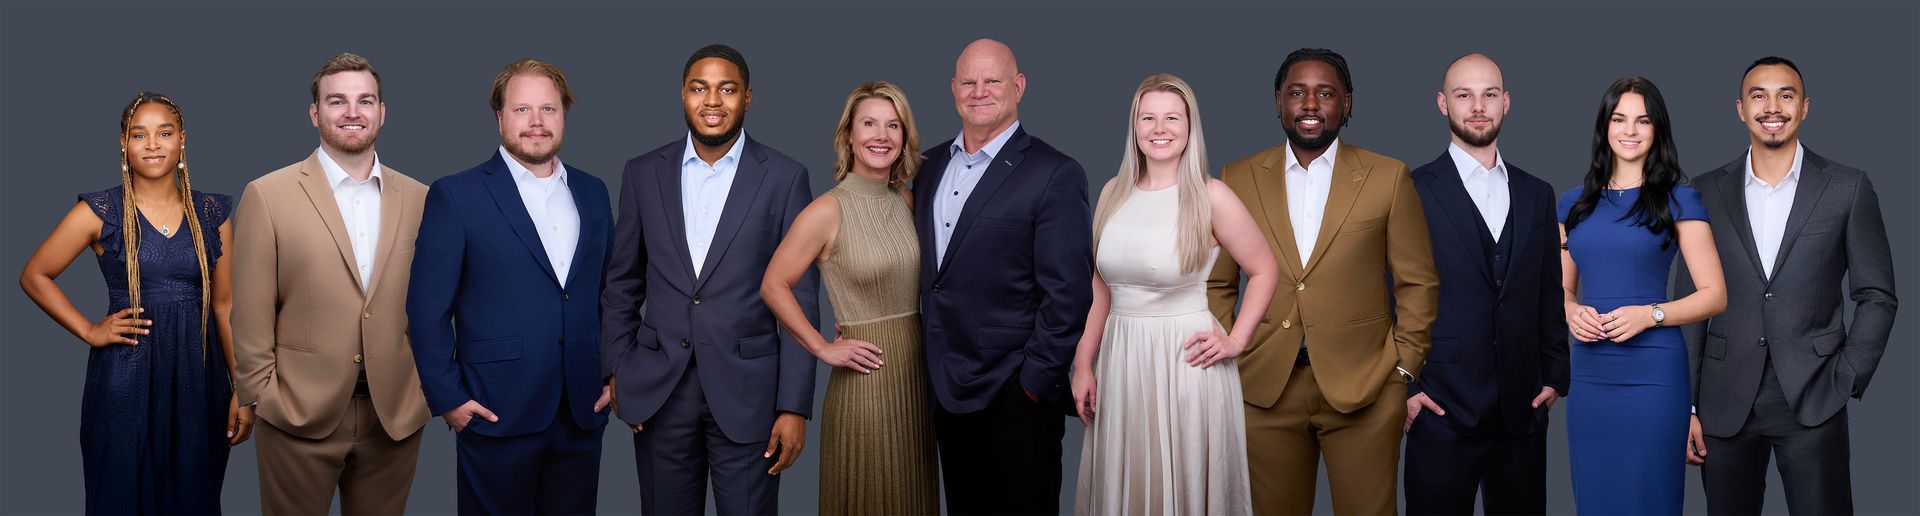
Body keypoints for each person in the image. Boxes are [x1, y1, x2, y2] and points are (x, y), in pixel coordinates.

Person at [1205, 47, 1439, 515]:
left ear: (1346, 104)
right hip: (1264, 388)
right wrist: (1234, 349)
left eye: (1325, 93)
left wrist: (1402, 372)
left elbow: (1418, 284)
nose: (1310, 105)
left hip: (1367, 389)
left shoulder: (1387, 177)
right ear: (1278, 102)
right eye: (1297, 93)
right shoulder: (1238, 178)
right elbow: (1217, 284)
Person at [601, 44, 819, 516]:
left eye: (727, 89)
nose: (713, 101)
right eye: (700, 88)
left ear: (748, 97)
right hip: (659, 394)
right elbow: (622, 283)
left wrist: (794, 406)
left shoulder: (785, 178)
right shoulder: (642, 173)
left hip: (751, 397)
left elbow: (800, 298)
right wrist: (618, 371)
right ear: (683, 95)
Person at [1680, 56, 1896, 515]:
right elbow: (1690, 302)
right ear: (1740, 108)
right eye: (1758, 95)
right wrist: (1687, 406)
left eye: (1786, 94)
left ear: (1804, 107)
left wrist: (1847, 377)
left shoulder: (1847, 187)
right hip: (1723, 400)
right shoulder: (1704, 191)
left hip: (1815, 395)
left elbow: (1876, 295)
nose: (1771, 106)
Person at [18, 91, 246, 514]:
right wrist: (89, 329)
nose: (153, 144)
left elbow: (225, 306)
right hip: (126, 379)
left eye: (165, 132)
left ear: (182, 141)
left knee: (195, 497)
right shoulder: (101, 211)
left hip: (199, 379)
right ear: (123, 143)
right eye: (139, 134)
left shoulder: (212, 213)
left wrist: (242, 390)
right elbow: (34, 275)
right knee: (121, 496)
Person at [407, 59, 614, 514]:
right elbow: (426, 310)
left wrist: (613, 374)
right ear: (500, 118)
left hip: (581, 410)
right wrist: (449, 399)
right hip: (494, 410)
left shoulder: (594, 191)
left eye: (549, 109)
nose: (537, 122)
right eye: (522, 110)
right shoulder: (456, 195)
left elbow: (608, 294)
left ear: (564, 116)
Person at [231, 52, 430, 515]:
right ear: (315, 113)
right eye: (337, 101)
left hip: (394, 414)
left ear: (382, 112)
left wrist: (422, 390)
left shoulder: (421, 198)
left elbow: (433, 303)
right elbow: (251, 309)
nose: (353, 112)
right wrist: (262, 394)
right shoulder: (268, 195)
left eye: (366, 101)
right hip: (298, 414)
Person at [1071, 73, 1276, 516]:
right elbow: (1101, 287)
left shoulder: (1210, 196)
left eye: (1171, 118)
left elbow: (1263, 269)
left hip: (1184, 363)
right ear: (1134, 126)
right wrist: (1084, 362)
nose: (1159, 128)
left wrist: (1236, 340)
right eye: (1148, 117)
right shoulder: (1112, 192)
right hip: (1120, 360)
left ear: (1190, 127)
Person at [915, 38, 1093, 515]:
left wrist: (1035, 380)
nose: (979, 91)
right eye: (968, 81)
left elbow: (1069, 292)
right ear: (953, 88)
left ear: (1018, 86)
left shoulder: (1055, 173)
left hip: (1017, 392)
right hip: (945, 387)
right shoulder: (926, 167)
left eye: (992, 80)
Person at [1402, 53, 1569, 515]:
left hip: (1523, 411)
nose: (1478, 106)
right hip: (1440, 408)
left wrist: (1555, 376)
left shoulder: (1538, 193)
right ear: (1442, 103)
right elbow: (1387, 291)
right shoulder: (1411, 190)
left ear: (1506, 102)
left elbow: (1547, 291)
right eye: (1464, 95)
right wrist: (1404, 388)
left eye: (1489, 94)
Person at [761, 81, 937, 515]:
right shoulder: (827, 210)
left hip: (918, 378)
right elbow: (773, 284)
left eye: (893, 125)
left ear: (904, 137)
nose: (882, 135)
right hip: (866, 384)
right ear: (849, 137)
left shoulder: (907, 200)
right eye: (870, 124)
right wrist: (821, 346)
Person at [1558, 76, 1727, 515]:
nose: (1629, 130)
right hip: (1590, 375)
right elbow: (1559, 289)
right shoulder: (1572, 204)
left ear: (1657, 131)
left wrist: (1649, 315)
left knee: (1650, 499)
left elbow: (1714, 295)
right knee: (1595, 498)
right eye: (1619, 119)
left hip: (1654, 376)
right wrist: (1571, 310)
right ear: (1604, 127)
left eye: (1642, 120)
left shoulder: (1680, 200)